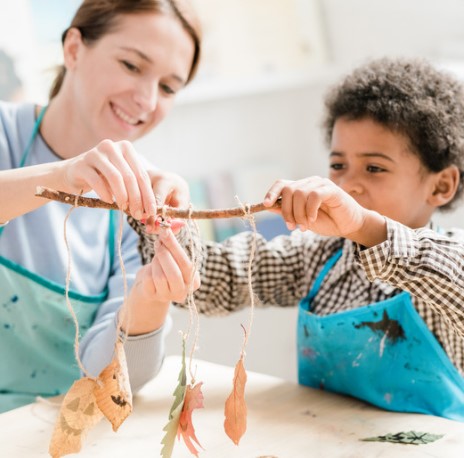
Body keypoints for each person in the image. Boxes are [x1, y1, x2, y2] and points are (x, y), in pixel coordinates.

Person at [130, 57, 464, 421]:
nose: (348, 183)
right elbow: (212, 281)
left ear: (441, 185)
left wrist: (364, 225)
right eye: (338, 165)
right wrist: (162, 218)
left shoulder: (441, 264)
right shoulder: (317, 257)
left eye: (374, 168)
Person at [0, 0, 201, 413]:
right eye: (131, 65)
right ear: (73, 49)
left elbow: (109, 375)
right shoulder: (5, 132)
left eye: (167, 87)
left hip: (50, 435)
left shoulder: (145, 202)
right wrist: (59, 176)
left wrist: (149, 296)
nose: (146, 100)